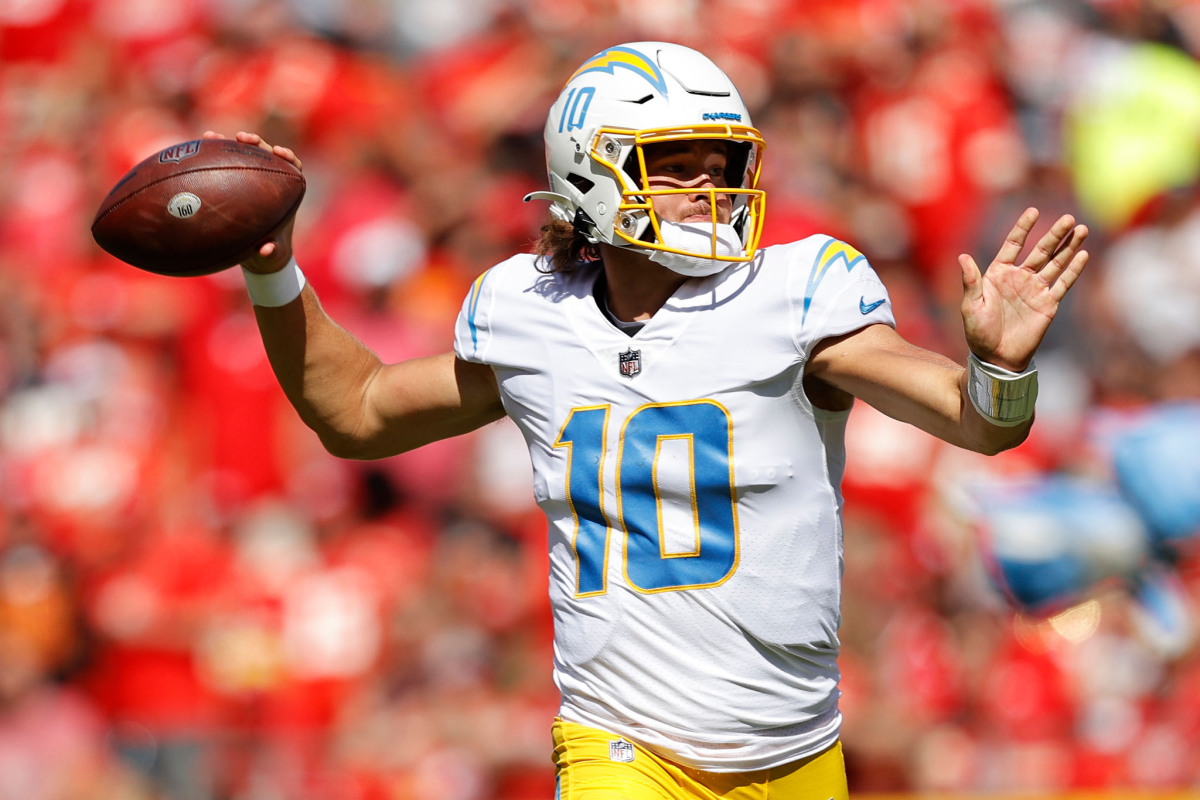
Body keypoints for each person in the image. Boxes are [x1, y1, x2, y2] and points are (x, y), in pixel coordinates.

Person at [208, 41, 1088, 800]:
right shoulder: (530, 311)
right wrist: (276, 273)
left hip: (797, 750)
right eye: (675, 162)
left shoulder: (794, 294)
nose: (709, 183)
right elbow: (356, 412)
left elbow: (980, 425)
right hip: (620, 745)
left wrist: (999, 367)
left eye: (720, 160)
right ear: (587, 171)